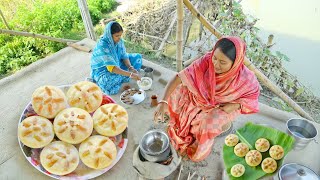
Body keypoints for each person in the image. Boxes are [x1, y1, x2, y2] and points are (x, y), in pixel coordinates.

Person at [154, 36, 260, 162]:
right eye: (215, 58)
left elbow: (253, 98)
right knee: (178, 90)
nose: (215, 64)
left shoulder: (245, 79)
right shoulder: (206, 61)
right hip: (200, 98)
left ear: (235, 62)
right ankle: (178, 123)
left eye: (223, 62)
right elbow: (179, 78)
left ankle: (197, 149)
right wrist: (163, 102)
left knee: (210, 123)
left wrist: (236, 105)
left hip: (222, 107)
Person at [90, 21, 142, 95]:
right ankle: (122, 75)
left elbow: (124, 55)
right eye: (117, 36)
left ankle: (123, 74)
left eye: (120, 35)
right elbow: (112, 68)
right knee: (107, 82)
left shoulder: (119, 41)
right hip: (104, 70)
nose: (119, 38)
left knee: (137, 57)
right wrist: (131, 74)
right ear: (109, 35)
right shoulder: (103, 46)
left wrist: (130, 68)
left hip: (117, 62)